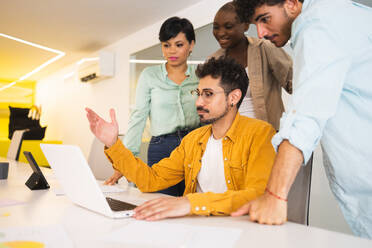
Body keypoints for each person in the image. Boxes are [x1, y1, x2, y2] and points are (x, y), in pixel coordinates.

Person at [232, 0, 372, 239]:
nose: (261, 33)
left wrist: (275, 196)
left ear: (292, 3)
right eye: (256, 23)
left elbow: (305, 116)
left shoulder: (318, 25)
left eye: (265, 19)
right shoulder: (338, 15)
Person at [86, 57, 276, 221]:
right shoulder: (193, 140)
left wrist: (190, 203)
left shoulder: (261, 134)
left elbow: (258, 195)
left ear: (233, 97)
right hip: (193, 227)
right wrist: (113, 143)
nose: (199, 102)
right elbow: (151, 180)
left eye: (208, 94)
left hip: (237, 230)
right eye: (198, 93)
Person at [104, 17, 200, 197]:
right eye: (166, 45)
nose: (172, 50)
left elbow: (207, 115)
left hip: (195, 145)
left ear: (191, 45)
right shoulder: (150, 75)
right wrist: (125, 161)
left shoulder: (201, 75)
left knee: (193, 204)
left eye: (179, 44)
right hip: (161, 147)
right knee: (160, 203)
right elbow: (138, 116)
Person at [210, 1, 292, 130]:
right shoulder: (213, 60)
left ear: (246, 26)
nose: (221, 33)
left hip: (266, 134)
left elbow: (295, 84)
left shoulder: (265, 49)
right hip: (230, 137)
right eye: (216, 27)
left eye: (228, 26)